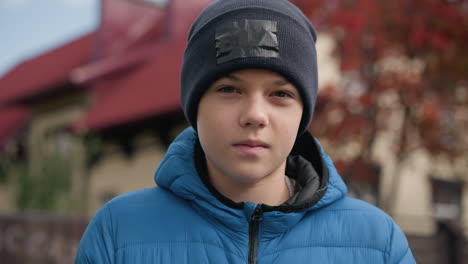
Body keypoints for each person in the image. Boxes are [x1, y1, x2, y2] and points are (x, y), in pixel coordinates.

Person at [75, 0, 416, 263]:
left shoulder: (377, 242)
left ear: (303, 114)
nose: (255, 115)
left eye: (280, 94)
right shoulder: (118, 232)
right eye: (229, 90)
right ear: (195, 107)